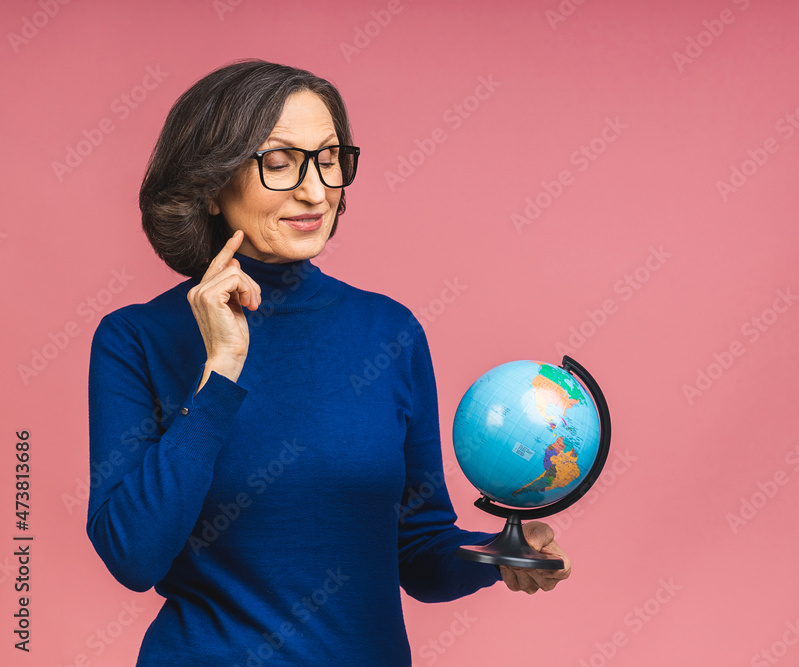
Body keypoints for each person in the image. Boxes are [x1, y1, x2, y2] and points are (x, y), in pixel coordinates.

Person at [86, 59, 571, 666]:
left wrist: (499, 554)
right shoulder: (135, 339)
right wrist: (220, 372)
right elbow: (132, 555)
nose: (315, 191)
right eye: (280, 162)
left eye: (330, 158)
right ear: (210, 187)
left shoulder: (389, 331)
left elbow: (418, 551)